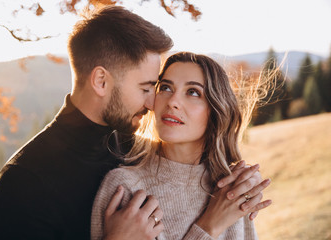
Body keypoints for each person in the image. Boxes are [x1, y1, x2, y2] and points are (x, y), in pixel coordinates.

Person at [0, 6, 266, 240]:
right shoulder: (22, 185)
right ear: (101, 81)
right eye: (147, 88)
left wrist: (240, 179)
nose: (152, 103)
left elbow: (183, 169)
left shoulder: (132, 147)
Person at [91, 52, 272, 240]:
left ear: (216, 111)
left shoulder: (232, 190)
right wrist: (209, 228)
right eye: (166, 88)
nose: (172, 102)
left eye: (193, 92)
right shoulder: (126, 187)